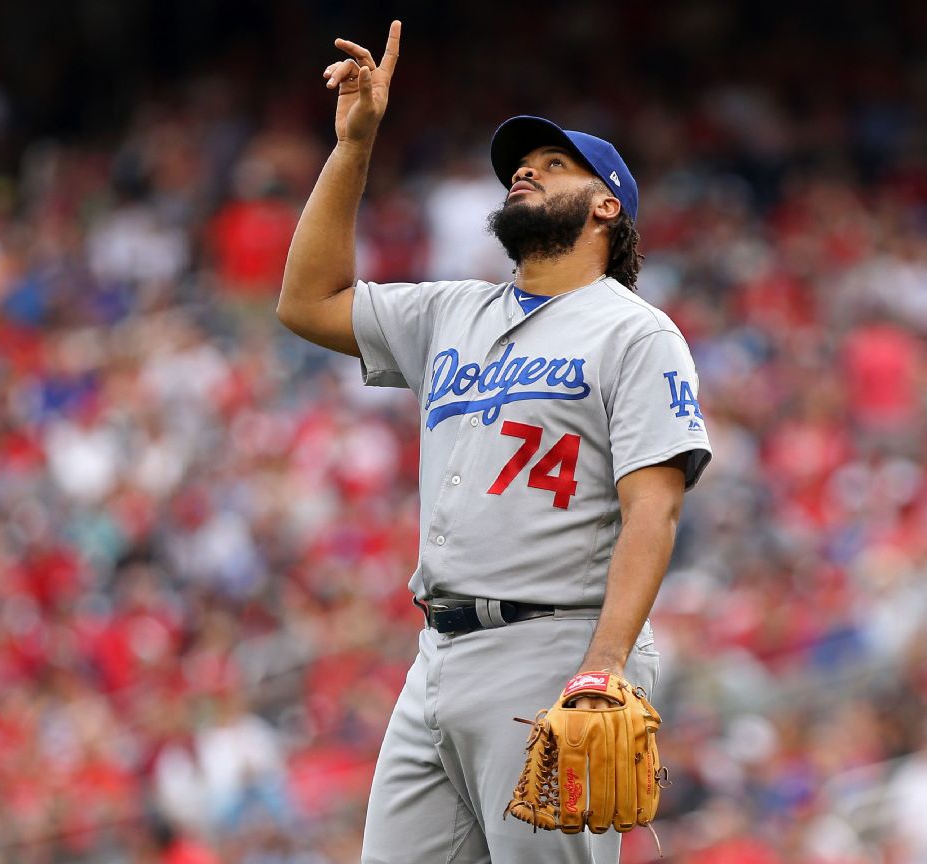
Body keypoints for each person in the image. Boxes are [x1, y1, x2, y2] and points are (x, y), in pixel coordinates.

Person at [277, 20, 713, 864]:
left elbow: (652, 510)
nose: (525, 170)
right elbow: (306, 301)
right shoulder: (453, 312)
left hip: (554, 648)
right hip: (435, 655)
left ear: (605, 206)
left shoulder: (636, 333)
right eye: (521, 164)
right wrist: (355, 146)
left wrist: (605, 664)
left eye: (554, 166)